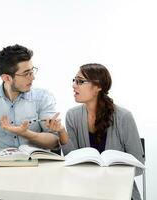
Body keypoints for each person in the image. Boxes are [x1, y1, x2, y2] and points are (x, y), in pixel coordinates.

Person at [47, 63, 144, 200]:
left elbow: (138, 165)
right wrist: (61, 131)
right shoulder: (72, 115)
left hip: (119, 192)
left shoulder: (124, 117)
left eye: (80, 81)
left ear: (98, 87)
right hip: (84, 191)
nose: (74, 85)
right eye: (74, 80)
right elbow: (73, 160)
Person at [0, 44, 68, 151]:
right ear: (7, 78)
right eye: (26, 73)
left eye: (32, 71)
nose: (33, 77)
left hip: (37, 164)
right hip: (4, 164)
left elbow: (54, 141)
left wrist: (26, 133)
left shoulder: (43, 97)